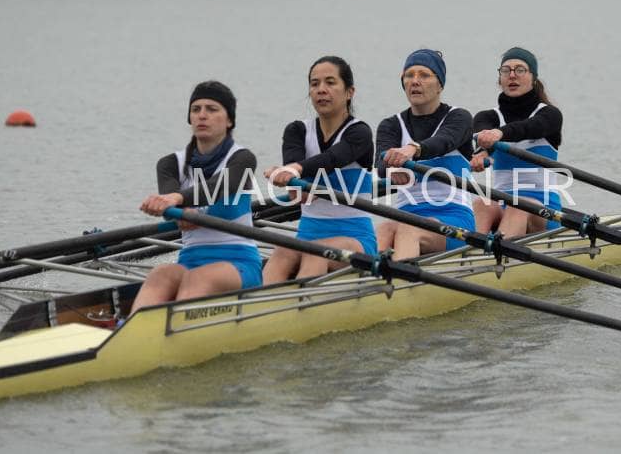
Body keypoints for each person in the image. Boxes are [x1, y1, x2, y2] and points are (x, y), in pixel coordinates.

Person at [131, 81, 262, 312]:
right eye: (196, 109)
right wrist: (175, 210)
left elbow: (218, 186)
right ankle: (131, 327)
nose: (202, 115)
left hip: (239, 263)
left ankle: (174, 329)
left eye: (212, 109)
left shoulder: (242, 159)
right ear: (190, 118)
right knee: (159, 274)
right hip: (190, 260)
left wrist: (178, 201)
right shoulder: (170, 164)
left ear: (229, 121)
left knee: (198, 279)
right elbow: (171, 207)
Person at [262, 56, 376, 283]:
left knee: (317, 254)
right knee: (282, 251)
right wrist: (294, 183)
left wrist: (293, 170)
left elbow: (334, 158)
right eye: (315, 84)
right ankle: (257, 303)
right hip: (307, 234)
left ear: (349, 92)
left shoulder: (360, 133)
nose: (321, 90)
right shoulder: (297, 131)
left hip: (355, 238)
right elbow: (299, 193)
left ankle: (300, 302)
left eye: (330, 82)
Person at [376, 48, 475, 260]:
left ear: (440, 85)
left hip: (453, 219)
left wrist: (412, 149)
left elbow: (443, 141)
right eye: (409, 75)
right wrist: (391, 169)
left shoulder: (459, 118)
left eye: (424, 75)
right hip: (406, 216)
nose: (415, 81)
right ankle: (367, 278)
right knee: (383, 229)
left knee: (408, 230)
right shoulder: (390, 125)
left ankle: (400, 278)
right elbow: (381, 164)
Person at [472, 46, 563, 237]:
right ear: (500, 79)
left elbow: (528, 128)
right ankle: (472, 250)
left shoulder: (549, 115)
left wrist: (499, 133)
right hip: (502, 202)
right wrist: (481, 152)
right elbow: (481, 134)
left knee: (519, 206)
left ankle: (499, 252)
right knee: (481, 203)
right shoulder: (487, 117)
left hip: (544, 209)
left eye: (520, 70)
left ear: (533, 78)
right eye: (506, 70)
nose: (512, 75)